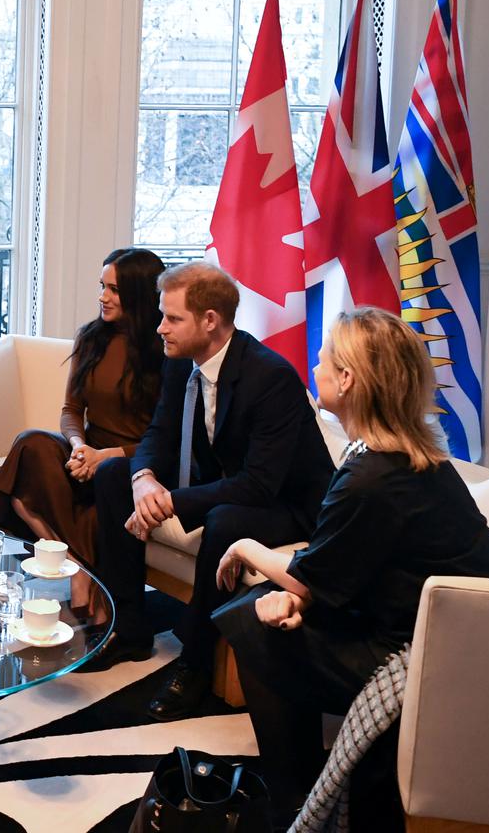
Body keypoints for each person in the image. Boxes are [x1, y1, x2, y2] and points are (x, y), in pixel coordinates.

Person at [212, 308, 489, 830]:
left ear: (348, 379)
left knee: (251, 624)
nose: (315, 366)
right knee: (264, 609)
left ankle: (295, 803)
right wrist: (299, 594)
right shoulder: (408, 456)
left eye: (324, 359)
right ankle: (301, 788)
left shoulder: (372, 477)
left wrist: (245, 548)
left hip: (437, 651)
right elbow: (344, 560)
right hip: (449, 624)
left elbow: (313, 570)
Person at [88, 261, 333, 717]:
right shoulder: (182, 362)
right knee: (112, 475)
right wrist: (143, 480)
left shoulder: (269, 377)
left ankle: (195, 662)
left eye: (172, 318)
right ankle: (130, 626)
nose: (160, 328)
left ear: (210, 321)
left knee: (225, 521)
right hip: (222, 483)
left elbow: (258, 484)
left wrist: (168, 501)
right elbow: (159, 434)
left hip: (288, 504)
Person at [0, 248, 165, 568]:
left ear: (139, 294)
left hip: (131, 464)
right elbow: (71, 409)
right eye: (102, 286)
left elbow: (166, 440)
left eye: (114, 290)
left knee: (27, 495)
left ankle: (75, 567)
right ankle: (77, 566)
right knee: (31, 443)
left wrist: (104, 457)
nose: (102, 297)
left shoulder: (164, 349)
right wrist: (79, 446)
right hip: (85, 456)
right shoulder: (91, 338)